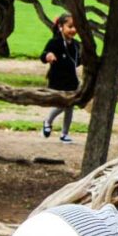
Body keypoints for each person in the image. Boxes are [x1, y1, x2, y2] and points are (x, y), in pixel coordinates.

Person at [41, 13, 81, 142]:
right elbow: (44, 55)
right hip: (58, 79)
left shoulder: (76, 45)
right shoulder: (55, 42)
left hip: (71, 79)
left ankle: (64, 134)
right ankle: (48, 121)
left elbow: (77, 61)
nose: (73, 30)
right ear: (60, 27)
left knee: (70, 106)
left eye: (75, 27)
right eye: (70, 26)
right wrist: (48, 56)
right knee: (64, 103)